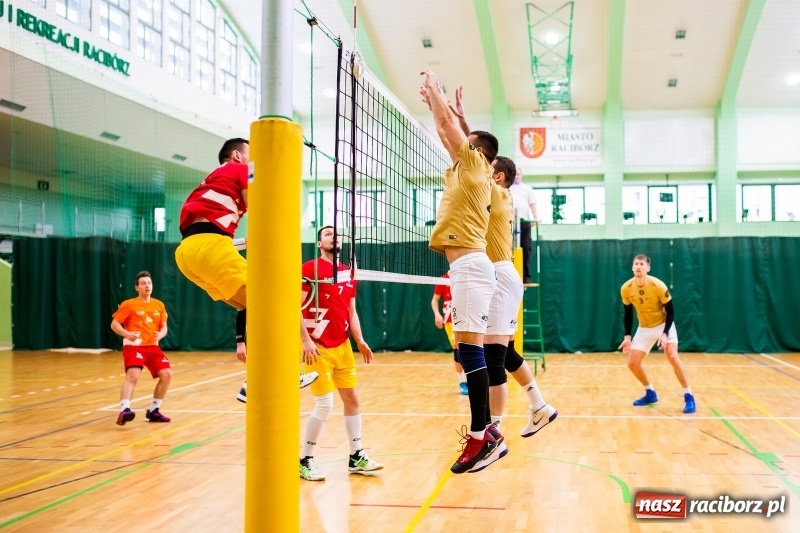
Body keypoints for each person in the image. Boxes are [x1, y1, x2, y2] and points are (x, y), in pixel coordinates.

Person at [174, 138, 317, 402]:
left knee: (251, 307)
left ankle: (253, 382)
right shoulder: (240, 169)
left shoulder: (216, 179)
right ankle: (280, 373)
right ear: (238, 155)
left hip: (187, 253)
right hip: (211, 247)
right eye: (251, 153)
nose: (254, 160)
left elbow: (212, 227)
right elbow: (260, 209)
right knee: (280, 302)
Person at [420, 75, 499, 474]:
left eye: (467, 143)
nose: (455, 145)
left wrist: (434, 91)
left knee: (469, 351)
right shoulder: (469, 169)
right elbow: (449, 131)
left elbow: (447, 130)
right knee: (473, 350)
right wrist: (451, 113)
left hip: (469, 267)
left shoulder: (472, 164)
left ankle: (481, 435)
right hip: (468, 266)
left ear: (476, 151)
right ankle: (489, 433)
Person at [469, 155, 558, 473]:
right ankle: (539, 406)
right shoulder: (498, 196)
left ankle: (492, 434)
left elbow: (471, 157)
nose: (483, 171)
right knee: (505, 353)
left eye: (489, 169)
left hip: (498, 276)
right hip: (502, 276)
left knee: (492, 360)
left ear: (500, 176)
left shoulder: (497, 193)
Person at [299, 225, 383, 481]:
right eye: (327, 235)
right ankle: (305, 460)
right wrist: (305, 341)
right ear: (318, 243)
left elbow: (351, 311)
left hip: (342, 346)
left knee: (353, 400)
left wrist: (360, 339)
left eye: (336, 235)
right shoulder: (308, 269)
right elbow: (292, 305)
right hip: (316, 346)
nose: (333, 238)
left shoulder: (348, 273)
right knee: (324, 404)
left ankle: (356, 456)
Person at [618, 254, 696, 414]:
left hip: (663, 324)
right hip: (644, 327)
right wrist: (627, 337)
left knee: (673, 357)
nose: (639, 267)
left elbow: (671, 311)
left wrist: (665, 333)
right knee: (632, 363)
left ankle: (689, 396)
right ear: (632, 267)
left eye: (642, 264)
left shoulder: (658, 285)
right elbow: (627, 313)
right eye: (636, 264)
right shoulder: (626, 288)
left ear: (648, 268)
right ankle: (650, 392)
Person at [111, 271, 171, 425]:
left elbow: (164, 326)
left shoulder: (159, 305)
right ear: (136, 287)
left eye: (149, 283)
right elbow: (114, 324)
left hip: (153, 347)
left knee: (167, 374)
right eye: (143, 283)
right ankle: (124, 410)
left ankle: (153, 411)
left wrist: (161, 334)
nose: (147, 286)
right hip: (135, 347)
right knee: (133, 377)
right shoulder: (129, 304)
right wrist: (126, 333)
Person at [431, 274, 468, 395]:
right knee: (458, 350)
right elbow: (435, 300)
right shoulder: (444, 278)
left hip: (467, 316)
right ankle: (462, 383)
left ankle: (471, 380)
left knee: (470, 349)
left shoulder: (465, 276)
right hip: (450, 319)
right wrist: (437, 314)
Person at [509, 168, 538, 283]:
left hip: (524, 222)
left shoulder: (527, 188)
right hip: (510, 222)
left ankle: (526, 276)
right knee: (509, 249)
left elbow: (532, 204)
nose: (516, 176)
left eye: (518, 174)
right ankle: (510, 275)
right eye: (514, 174)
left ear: (521, 175)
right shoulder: (508, 188)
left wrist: (535, 217)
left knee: (526, 247)